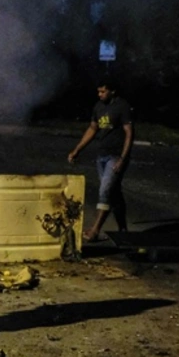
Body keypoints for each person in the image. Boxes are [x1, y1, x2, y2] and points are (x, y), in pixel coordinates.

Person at [67, 80, 133, 244]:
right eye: (98, 91)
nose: (100, 94)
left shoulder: (122, 107)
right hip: (101, 156)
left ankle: (95, 230)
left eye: (103, 91)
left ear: (113, 91)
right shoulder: (98, 107)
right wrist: (77, 150)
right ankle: (123, 230)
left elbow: (129, 133)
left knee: (105, 191)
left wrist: (123, 158)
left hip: (115, 156)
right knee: (113, 192)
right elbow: (92, 128)